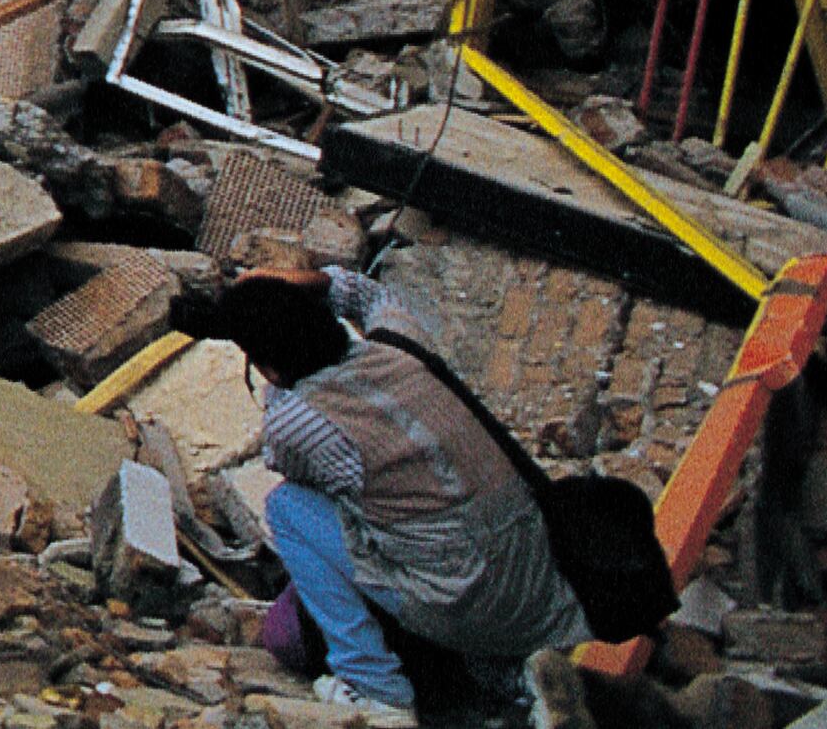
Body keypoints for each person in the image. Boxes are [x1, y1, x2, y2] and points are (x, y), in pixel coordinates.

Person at [200, 263, 586, 718]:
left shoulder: (297, 422)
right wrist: (294, 284)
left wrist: (257, 345)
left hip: (462, 605)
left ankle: (376, 686)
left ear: (269, 369)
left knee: (287, 507)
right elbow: (368, 294)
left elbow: (285, 462)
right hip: (539, 582)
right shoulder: (402, 342)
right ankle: (506, 673)